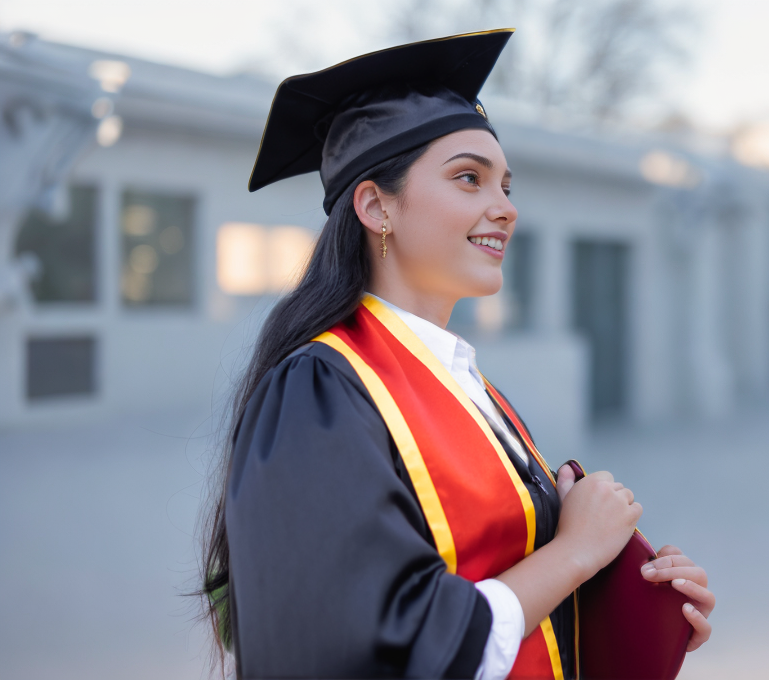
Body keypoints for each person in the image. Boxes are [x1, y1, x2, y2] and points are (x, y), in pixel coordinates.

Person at [199, 29, 715, 679]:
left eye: (505, 186)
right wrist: (575, 553)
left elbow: (501, 600)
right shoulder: (320, 393)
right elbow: (372, 643)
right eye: (468, 179)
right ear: (376, 206)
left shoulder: (469, 391)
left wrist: (631, 604)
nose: (504, 209)